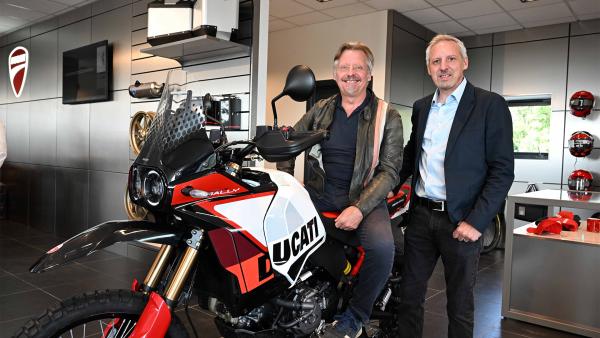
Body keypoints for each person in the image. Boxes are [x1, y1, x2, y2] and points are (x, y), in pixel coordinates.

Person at [277, 42, 403, 338]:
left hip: (366, 198)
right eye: (344, 68)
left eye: (358, 67)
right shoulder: (320, 110)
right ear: (335, 74)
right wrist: (285, 183)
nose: (351, 74)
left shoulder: (388, 116)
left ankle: (354, 319)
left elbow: (390, 171)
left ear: (369, 74)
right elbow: (289, 144)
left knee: (383, 249)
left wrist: (360, 208)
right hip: (320, 196)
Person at [396, 34, 514, 338]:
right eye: (436, 61)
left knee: (459, 305)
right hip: (421, 216)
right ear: (429, 68)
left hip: (462, 219)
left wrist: (476, 222)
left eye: (450, 59)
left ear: (465, 63)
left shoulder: (490, 105)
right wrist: (389, 184)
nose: (443, 66)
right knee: (409, 297)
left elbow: (502, 171)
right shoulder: (422, 107)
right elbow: (412, 154)